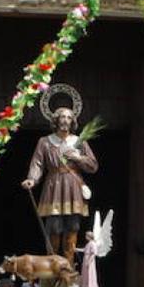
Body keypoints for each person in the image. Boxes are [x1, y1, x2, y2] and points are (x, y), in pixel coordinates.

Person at [21, 101, 99, 262]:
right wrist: (32, 179)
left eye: (69, 117)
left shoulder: (79, 141)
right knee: (54, 227)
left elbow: (93, 166)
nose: (65, 120)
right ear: (56, 120)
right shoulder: (45, 142)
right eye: (62, 117)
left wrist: (78, 157)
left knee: (72, 227)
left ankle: (68, 268)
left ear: (72, 122)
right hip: (54, 186)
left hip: (73, 186)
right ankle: (52, 266)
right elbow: (38, 164)